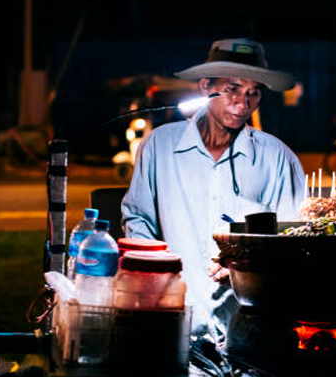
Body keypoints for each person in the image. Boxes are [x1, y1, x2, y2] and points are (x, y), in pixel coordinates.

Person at [120, 38, 306, 338]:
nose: (243, 103)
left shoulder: (278, 159)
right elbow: (138, 221)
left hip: (250, 331)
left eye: (253, 93)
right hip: (171, 324)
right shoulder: (159, 146)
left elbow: (295, 240)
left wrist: (251, 264)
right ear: (205, 86)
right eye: (232, 88)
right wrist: (158, 278)